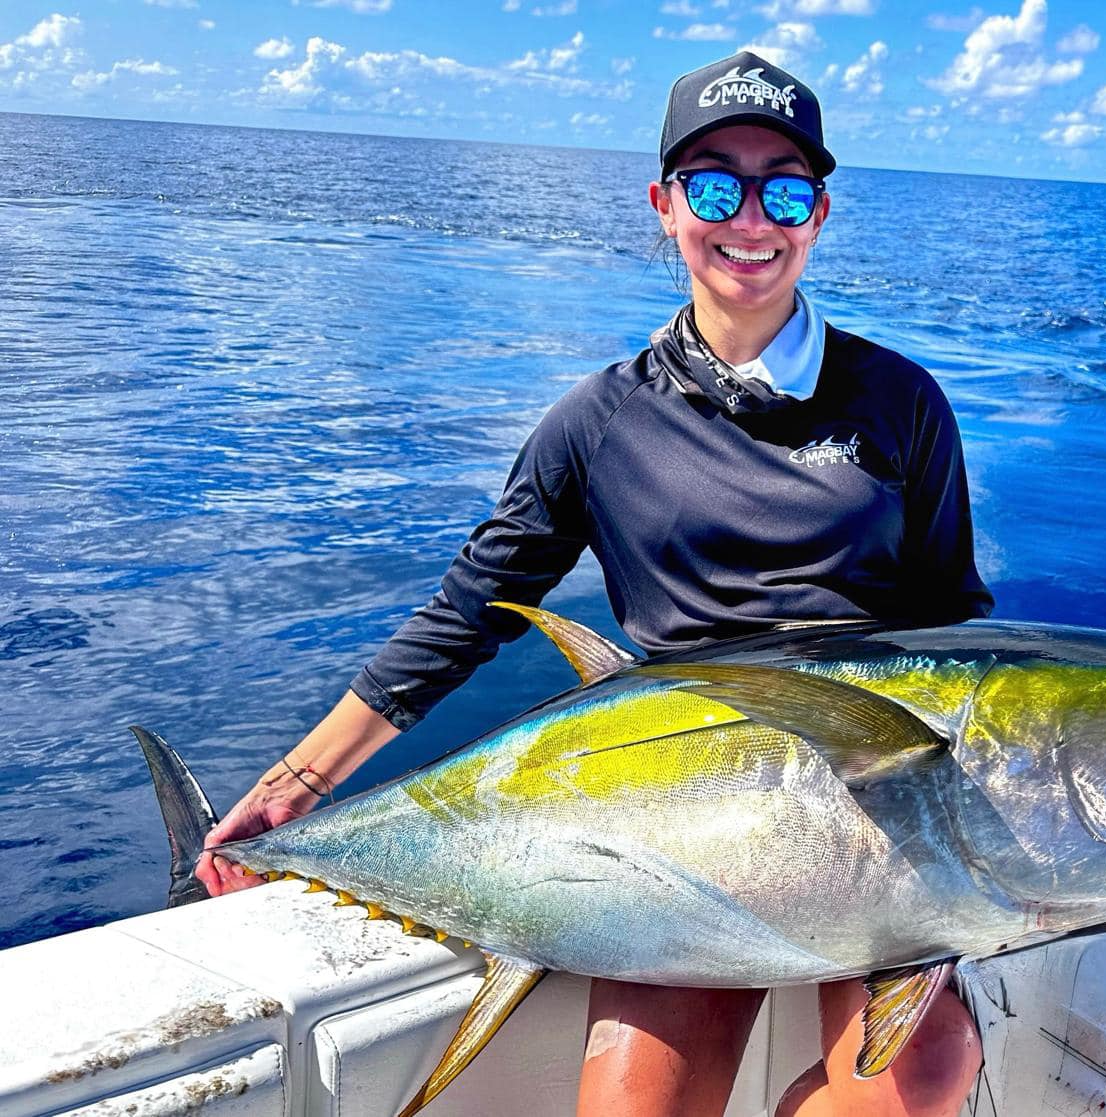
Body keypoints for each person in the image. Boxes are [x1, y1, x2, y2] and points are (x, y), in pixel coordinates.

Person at [197, 50, 991, 1117]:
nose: (750, 217)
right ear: (665, 206)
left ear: (819, 212)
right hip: (678, 813)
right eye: (715, 185)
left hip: (881, 813)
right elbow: (472, 607)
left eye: (784, 187)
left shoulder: (899, 401)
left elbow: (955, 626)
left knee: (927, 1072)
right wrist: (296, 783)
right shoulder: (599, 420)